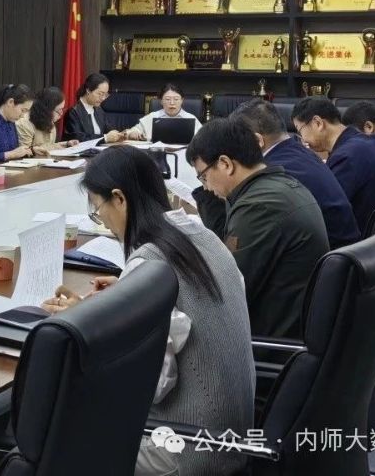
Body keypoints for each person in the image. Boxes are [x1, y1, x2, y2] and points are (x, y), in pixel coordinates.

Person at [41, 145, 254, 476]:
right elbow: (193, 304)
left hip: (190, 448)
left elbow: (150, 385)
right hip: (233, 431)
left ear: (119, 199)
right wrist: (121, 304)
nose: (104, 222)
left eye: (98, 210)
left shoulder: (150, 261)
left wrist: (88, 329)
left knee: (55, 442)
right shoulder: (201, 233)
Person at [186, 117, 329, 339]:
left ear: (225, 164)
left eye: (204, 177)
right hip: (288, 326)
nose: (207, 187)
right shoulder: (277, 186)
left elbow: (225, 292)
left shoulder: (259, 207)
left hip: (268, 342)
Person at [232, 99, 361, 248]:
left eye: (239, 142)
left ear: (257, 140)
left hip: (328, 255)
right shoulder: (302, 152)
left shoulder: (274, 171)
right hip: (347, 250)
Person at [291, 97, 375, 233]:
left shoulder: (346, 156)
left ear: (318, 123)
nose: (303, 139)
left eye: (300, 131)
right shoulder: (363, 142)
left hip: (360, 239)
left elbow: (323, 208)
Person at [125, 83, 202, 141]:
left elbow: (203, 138)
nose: (172, 103)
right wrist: (132, 134)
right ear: (161, 101)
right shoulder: (153, 116)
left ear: (182, 100)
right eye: (167, 99)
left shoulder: (191, 118)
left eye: (176, 99)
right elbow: (132, 131)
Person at [15, 87, 79, 156]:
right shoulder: (24, 123)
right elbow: (24, 152)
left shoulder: (49, 121)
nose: (61, 113)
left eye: (62, 109)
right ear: (47, 109)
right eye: (58, 110)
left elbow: (49, 146)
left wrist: (67, 144)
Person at [63, 73, 125, 143]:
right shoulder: (73, 112)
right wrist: (105, 138)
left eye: (106, 95)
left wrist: (120, 135)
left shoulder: (99, 110)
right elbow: (77, 138)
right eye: (100, 94)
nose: (103, 98)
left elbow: (109, 129)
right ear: (88, 90)